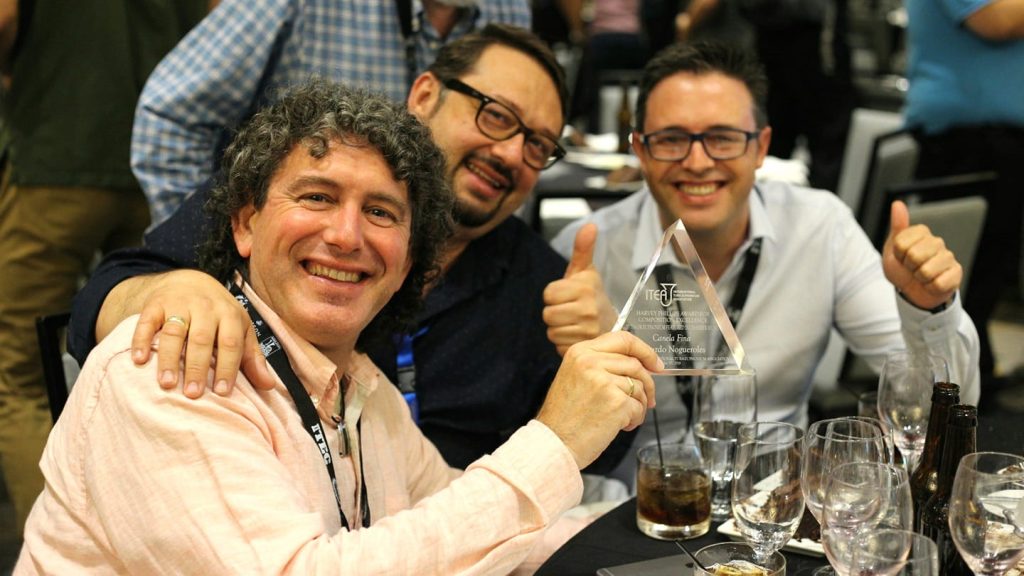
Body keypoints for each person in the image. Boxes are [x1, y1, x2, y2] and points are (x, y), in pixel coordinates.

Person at [16, 80, 660, 574]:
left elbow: (463, 521)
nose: (347, 236)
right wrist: (555, 440)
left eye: (381, 212)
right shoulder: (174, 364)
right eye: (317, 197)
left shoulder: (361, 389)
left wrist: (668, 545)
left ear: (408, 262)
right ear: (244, 224)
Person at [68, 24, 619, 473]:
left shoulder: (543, 285)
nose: (512, 153)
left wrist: (594, 356)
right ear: (425, 95)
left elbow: (601, 458)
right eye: (496, 116)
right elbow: (95, 307)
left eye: (538, 145)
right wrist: (172, 289)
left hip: (456, 522)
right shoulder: (286, 203)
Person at [550, 41, 980, 484]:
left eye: (722, 138)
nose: (697, 162)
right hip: (635, 502)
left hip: (774, 499)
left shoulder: (819, 228)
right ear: (640, 150)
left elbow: (948, 408)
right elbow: (543, 436)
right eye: (671, 140)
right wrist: (589, 349)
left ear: (761, 147)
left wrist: (927, 309)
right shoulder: (587, 255)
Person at [0, 0, 209, 534]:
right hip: (151, 173)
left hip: (55, 157)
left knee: (18, 377)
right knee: (144, 367)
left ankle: (62, 549)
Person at [133, 0, 530, 228]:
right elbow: (170, 118)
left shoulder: (508, 9)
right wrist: (211, 253)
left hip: (420, 278)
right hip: (280, 266)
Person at [903, 0, 1024, 389]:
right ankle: (951, 403)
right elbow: (996, 20)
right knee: (955, 283)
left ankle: (977, 386)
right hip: (967, 143)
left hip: (993, 140)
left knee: (985, 278)